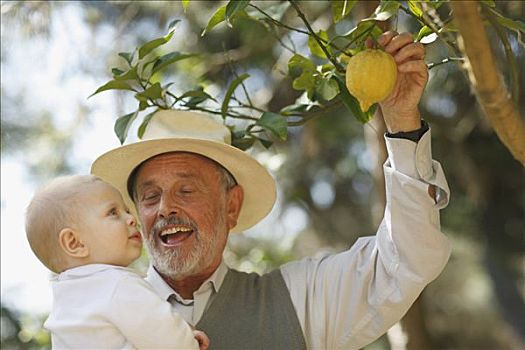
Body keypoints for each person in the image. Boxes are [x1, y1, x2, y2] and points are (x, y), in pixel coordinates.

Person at [91, 31, 451, 350]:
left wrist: (402, 122)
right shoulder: (98, 318)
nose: (165, 207)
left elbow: (406, 259)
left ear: (231, 206)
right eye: (150, 197)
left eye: (186, 190)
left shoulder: (300, 300)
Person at [25, 175, 209, 350]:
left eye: (127, 210)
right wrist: (189, 338)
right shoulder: (118, 284)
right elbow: (173, 342)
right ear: (75, 243)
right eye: (113, 212)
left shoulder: (66, 303)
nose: (132, 219)